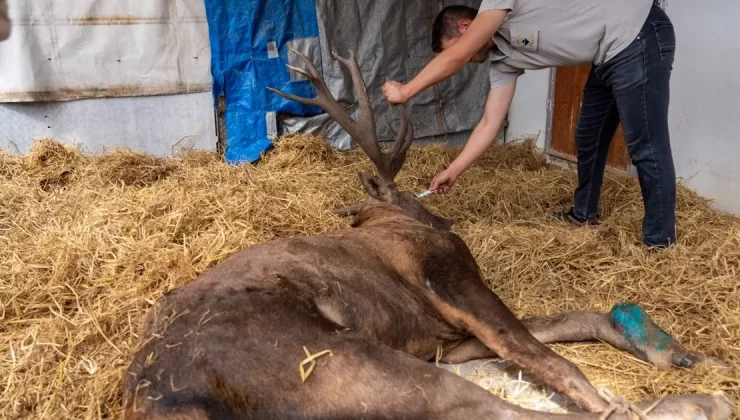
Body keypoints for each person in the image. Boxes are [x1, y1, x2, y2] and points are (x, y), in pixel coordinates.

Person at [382, 0, 677, 249]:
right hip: (606, 56)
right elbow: (489, 122)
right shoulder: (502, 60)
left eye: (459, 50)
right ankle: (584, 214)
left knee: (646, 145)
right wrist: (453, 171)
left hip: (638, 35)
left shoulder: (497, 4)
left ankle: (659, 243)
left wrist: (406, 91)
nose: (470, 60)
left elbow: (457, 56)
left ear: (465, 27)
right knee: (589, 135)